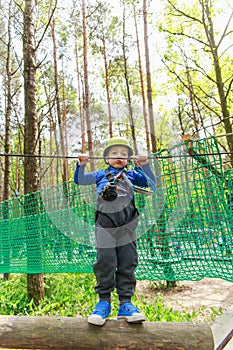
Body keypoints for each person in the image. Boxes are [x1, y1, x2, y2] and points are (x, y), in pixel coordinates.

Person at [74, 137, 156, 326]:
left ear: (129, 159)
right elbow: (80, 180)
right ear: (106, 158)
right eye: (114, 154)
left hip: (127, 224)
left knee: (128, 261)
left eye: (124, 154)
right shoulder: (100, 175)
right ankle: (103, 303)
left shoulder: (133, 175)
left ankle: (125, 304)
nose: (119, 157)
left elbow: (151, 184)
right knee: (105, 260)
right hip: (105, 223)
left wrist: (145, 166)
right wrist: (82, 165)